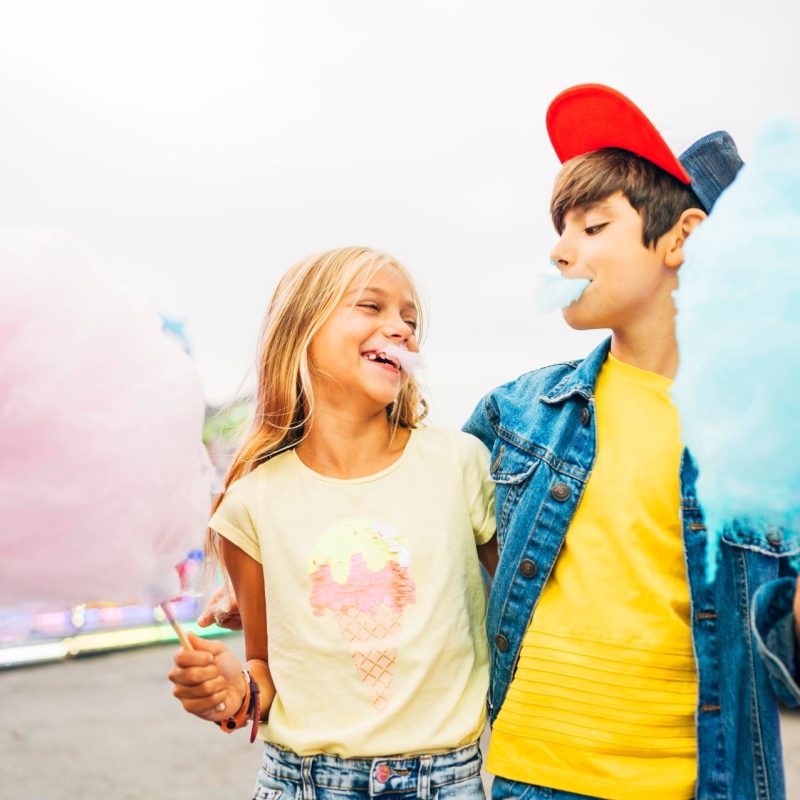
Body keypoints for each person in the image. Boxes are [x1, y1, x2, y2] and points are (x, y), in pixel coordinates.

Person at [463, 83, 800, 800]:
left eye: (592, 228)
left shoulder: (767, 439)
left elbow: (788, 669)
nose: (560, 252)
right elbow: (418, 541)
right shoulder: (518, 414)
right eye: (559, 231)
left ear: (682, 238)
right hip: (532, 777)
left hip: (696, 782)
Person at [169, 246, 498, 800]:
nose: (400, 328)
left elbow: (530, 604)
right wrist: (230, 693)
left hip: (447, 783)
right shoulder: (249, 504)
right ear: (301, 330)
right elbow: (266, 672)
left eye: (411, 320)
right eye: (371, 307)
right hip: (300, 783)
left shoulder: (461, 464)